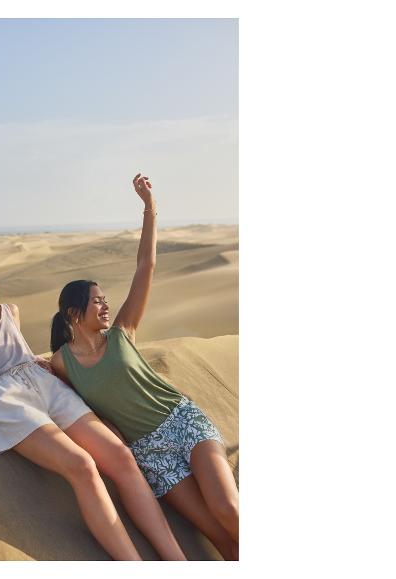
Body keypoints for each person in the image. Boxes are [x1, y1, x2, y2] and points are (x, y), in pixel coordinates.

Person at [0, 248, 188, 560]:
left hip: (46, 385)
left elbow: (20, 353)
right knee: (82, 465)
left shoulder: (10, 310)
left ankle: (176, 560)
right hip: (8, 401)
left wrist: (36, 360)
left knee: (121, 457)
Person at [49, 174, 240, 561]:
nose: (105, 306)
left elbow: (145, 267)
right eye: (97, 301)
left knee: (230, 512)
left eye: (106, 300)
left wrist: (149, 209)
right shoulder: (60, 363)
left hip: (182, 423)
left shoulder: (122, 332)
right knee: (220, 538)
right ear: (73, 312)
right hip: (149, 453)